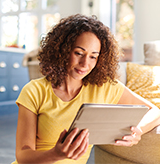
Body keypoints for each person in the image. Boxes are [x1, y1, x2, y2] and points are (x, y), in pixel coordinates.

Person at [13, 14, 160, 164]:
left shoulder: (105, 87)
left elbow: (154, 111)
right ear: (62, 50)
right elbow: (23, 156)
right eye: (78, 53)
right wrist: (56, 154)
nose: (85, 64)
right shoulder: (34, 91)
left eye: (93, 57)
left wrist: (139, 130)